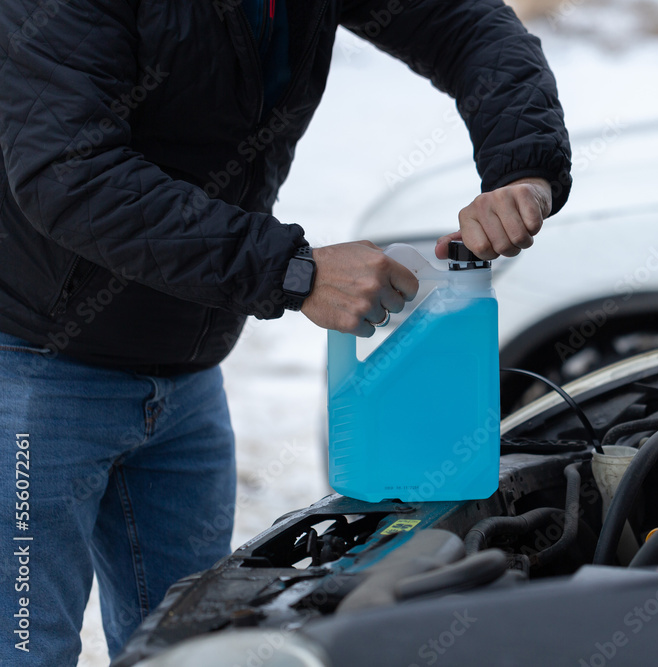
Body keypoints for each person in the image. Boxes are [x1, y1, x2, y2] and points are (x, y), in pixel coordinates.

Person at [0, 0, 571, 663]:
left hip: (187, 368)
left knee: (197, 650)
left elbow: (468, 26)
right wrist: (292, 270)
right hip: (38, 368)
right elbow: (68, 176)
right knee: (24, 644)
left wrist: (523, 166)